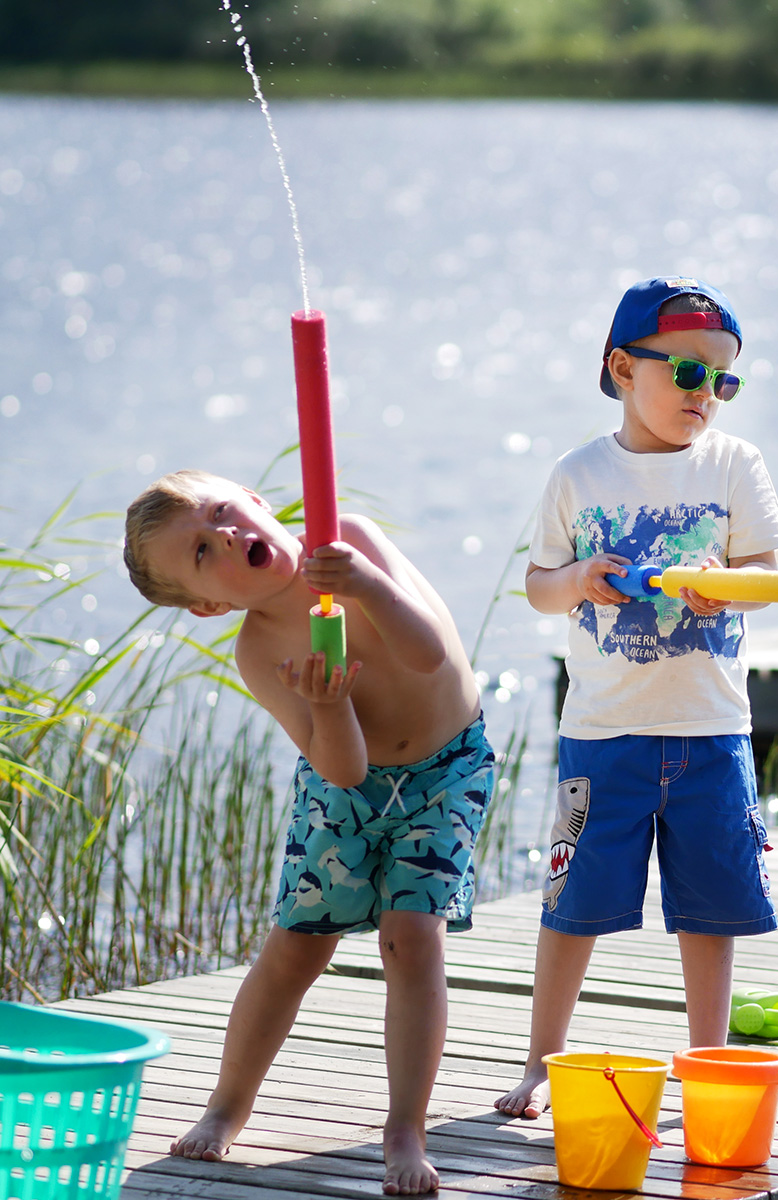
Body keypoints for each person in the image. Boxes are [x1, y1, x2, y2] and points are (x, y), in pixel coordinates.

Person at [124, 469, 493, 1195]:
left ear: (258, 505)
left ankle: (404, 1127)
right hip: (343, 785)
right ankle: (228, 1107)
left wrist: (365, 587)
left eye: (225, 512)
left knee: (411, 938)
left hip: (447, 768)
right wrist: (329, 706)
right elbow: (343, 770)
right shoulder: (260, 653)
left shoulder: (347, 541)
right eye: (203, 550)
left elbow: (428, 655)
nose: (226, 534)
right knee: (296, 950)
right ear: (209, 604)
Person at [494, 276, 778, 1119]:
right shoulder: (578, 473)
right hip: (604, 731)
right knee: (572, 904)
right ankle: (542, 1062)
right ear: (624, 368)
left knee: (712, 910)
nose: (708, 396)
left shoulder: (736, 465)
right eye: (690, 374)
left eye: (724, 381)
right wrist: (582, 578)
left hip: (710, 730)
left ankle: (709, 1058)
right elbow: (540, 586)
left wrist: (727, 588)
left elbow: (768, 573)